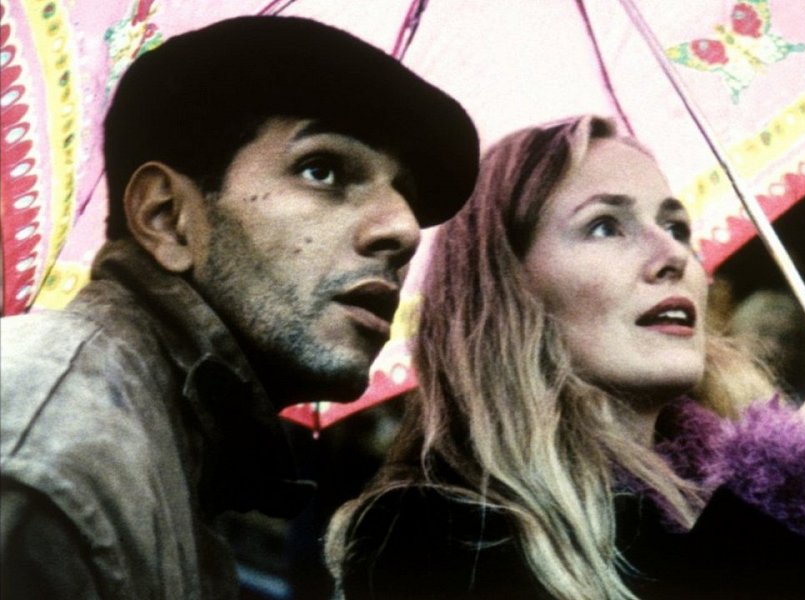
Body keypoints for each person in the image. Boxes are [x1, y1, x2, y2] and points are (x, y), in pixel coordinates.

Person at [325, 116, 805, 599]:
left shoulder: (737, 495)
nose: (670, 254)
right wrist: (797, 491)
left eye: (676, 226)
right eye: (605, 226)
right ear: (508, 289)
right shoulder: (424, 536)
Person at [0, 16, 478, 599]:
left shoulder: (159, 452)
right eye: (323, 170)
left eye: (407, 195)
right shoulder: (51, 462)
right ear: (166, 217)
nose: (403, 230)